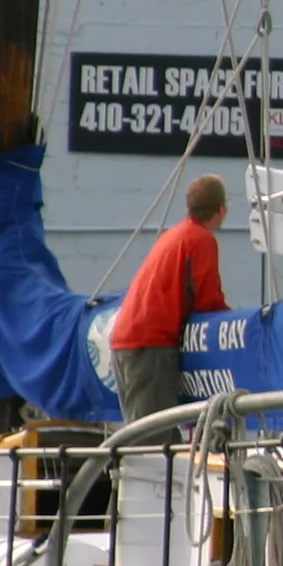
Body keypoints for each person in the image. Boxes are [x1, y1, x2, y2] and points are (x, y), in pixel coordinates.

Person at [109, 175, 230, 427]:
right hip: (150, 345)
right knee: (151, 442)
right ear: (221, 208)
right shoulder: (201, 240)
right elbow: (208, 300)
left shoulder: (172, 236)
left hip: (125, 339)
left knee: (148, 433)